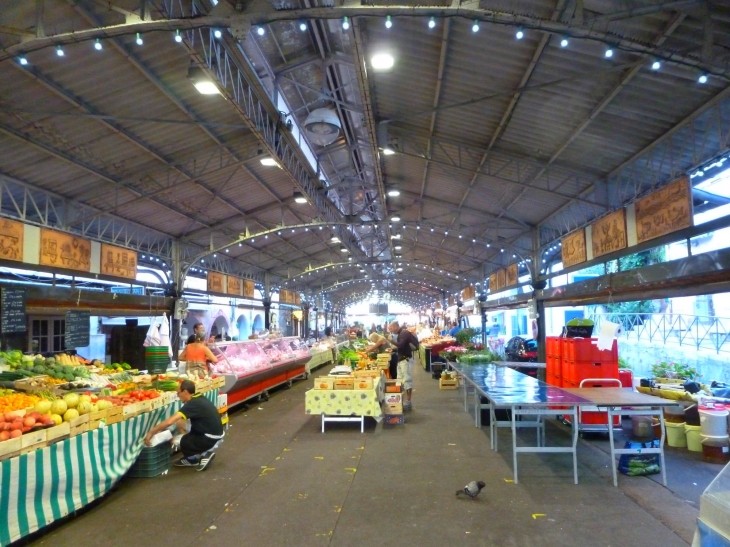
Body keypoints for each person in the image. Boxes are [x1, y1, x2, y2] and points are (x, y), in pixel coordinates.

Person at [143, 380, 223, 471]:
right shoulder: (199, 398)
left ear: (185, 392)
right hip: (215, 433)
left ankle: (200, 456)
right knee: (180, 422)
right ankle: (194, 452)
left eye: (178, 393)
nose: (178, 396)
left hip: (209, 438)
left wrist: (151, 432)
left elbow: (170, 421)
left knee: (175, 440)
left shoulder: (193, 404)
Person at [388, 321, 419, 411]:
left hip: (406, 360)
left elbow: (401, 345)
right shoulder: (401, 333)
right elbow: (402, 346)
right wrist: (393, 349)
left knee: (407, 381)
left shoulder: (404, 333)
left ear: (396, 326)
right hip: (401, 360)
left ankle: (408, 402)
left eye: (391, 328)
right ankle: (401, 400)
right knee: (400, 381)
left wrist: (391, 341)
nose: (390, 330)